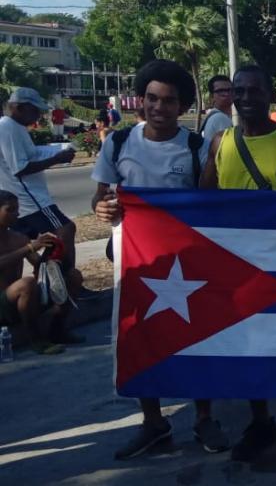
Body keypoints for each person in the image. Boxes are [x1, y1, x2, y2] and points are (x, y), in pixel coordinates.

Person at [90, 59, 226, 460]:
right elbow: (101, 196)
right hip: (136, 263)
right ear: (141, 99)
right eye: (151, 98)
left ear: (182, 105)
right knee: (140, 339)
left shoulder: (197, 147)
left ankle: (204, 417)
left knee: (198, 338)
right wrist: (104, 210)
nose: (158, 107)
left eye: (168, 101)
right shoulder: (116, 143)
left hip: (187, 264)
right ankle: (154, 422)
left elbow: (210, 204)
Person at [198, 65, 276, 462]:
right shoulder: (220, 143)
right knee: (251, 348)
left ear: (268, 94)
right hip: (237, 269)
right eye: (238, 91)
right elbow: (203, 202)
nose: (245, 98)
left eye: (253, 91)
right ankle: (261, 421)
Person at [0, 87, 83, 345]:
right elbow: (21, 167)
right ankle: (56, 279)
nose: (36, 116)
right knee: (65, 230)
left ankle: (53, 281)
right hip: (30, 201)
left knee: (48, 251)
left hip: (26, 201)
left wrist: (54, 151)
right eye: (33, 110)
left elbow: (31, 155)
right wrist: (57, 158)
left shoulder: (17, 129)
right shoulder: (8, 127)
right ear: (19, 107)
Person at [0, 191, 63, 356]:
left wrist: (50, 251)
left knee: (72, 277)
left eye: (17, 209)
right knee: (26, 284)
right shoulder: (24, 243)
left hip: (17, 301)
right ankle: (36, 340)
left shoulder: (18, 237)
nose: (17, 214)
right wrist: (29, 248)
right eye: (11, 209)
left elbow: (38, 264)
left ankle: (58, 332)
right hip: (3, 302)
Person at [200, 75, 233, 141]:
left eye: (229, 90)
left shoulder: (214, 116)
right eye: (221, 91)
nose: (226, 94)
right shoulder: (220, 118)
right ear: (212, 96)